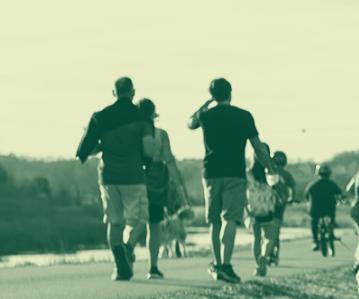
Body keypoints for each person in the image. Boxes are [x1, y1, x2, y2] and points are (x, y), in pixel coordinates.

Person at [188, 78, 276, 284]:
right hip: (235, 173)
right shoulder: (244, 116)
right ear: (231, 92)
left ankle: (217, 263)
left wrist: (205, 104)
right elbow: (258, 146)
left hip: (210, 173)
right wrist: (269, 166)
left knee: (214, 220)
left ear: (212, 95)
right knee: (229, 219)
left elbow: (190, 123)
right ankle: (226, 265)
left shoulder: (206, 115)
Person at [75, 77, 156, 281]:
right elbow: (148, 150)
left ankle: (119, 266)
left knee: (115, 222)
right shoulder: (143, 118)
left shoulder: (100, 117)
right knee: (141, 219)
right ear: (133, 92)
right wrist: (146, 161)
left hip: (109, 177)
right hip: (134, 176)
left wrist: (103, 145)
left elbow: (83, 151)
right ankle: (127, 248)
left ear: (114, 93)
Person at [131, 98, 189, 279]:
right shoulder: (161, 135)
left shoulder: (130, 133)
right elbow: (169, 161)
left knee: (135, 219)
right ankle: (153, 266)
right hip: (157, 182)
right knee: (153, 225)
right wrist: (179, 186)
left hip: (134, 178)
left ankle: (128, 246)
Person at [247, 143, 279, 277]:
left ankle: (257, 266)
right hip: (267, 209)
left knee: (256, 238)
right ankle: (264, 258)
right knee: (269, 237)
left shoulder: (248, 173)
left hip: (253, 209)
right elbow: (276, 188)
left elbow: (244, 191)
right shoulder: (271, 172)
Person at [266, 150, 296, 265]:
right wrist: (291, 198)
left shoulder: (269, 172)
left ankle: (268, 253)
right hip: (279, 205)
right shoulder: (286, 174)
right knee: (276, 230)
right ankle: (275, 253)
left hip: (267, 205)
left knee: (267, 230)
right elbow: (292, 188)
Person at [306, 164, 343, 252]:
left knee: (314, 222)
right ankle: (331, 230)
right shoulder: (332, 184)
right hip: (329, 209)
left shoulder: (313, 184)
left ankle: (315, 240)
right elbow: (340, 193)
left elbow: (306, 194)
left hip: (315, 209)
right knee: (331, 217)